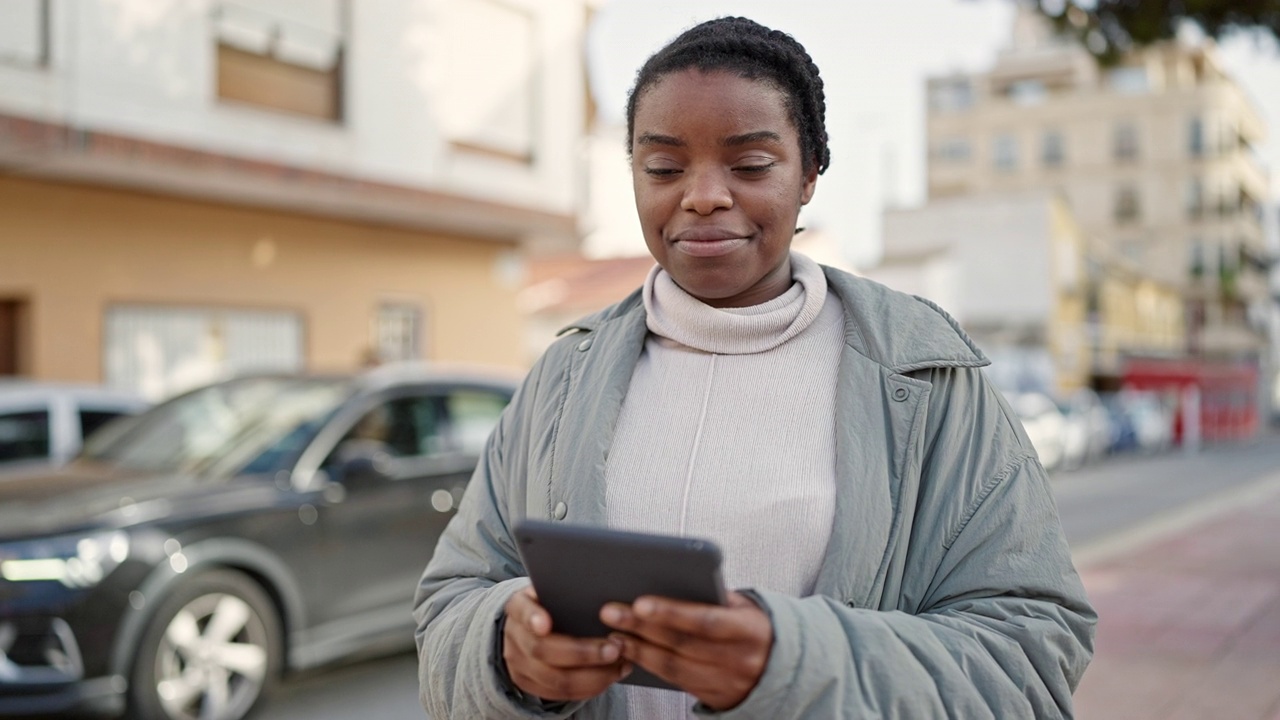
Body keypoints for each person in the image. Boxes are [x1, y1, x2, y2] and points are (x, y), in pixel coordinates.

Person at [413, 16, 1095, 719]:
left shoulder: (927, 379)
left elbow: (1032, 654)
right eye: (663, 168)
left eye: (750, 165)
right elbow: (449, 603)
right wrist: (506, 650)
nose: (702, 195)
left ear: (808, 176)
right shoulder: (561, 379)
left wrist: (791, 665)